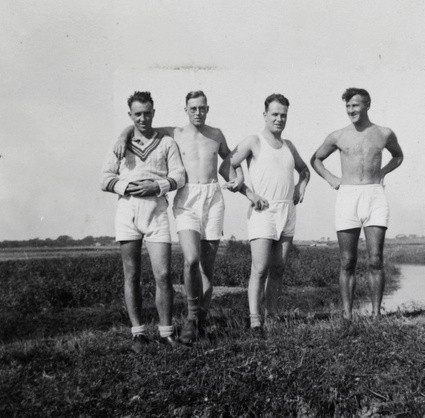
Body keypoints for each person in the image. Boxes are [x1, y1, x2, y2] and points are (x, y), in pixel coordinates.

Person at [114, 91, 243, 344]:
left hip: (213, 197)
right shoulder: (175, 132)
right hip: (187, 198)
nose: (198, 113)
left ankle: (198, 324)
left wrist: (238, 179)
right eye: (193, 108)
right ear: (185, 109)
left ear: (208, 108)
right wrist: (122, 135)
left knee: (207, 269)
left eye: (202, 108)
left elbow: (228, 162)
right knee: (191, 260)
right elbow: (141, 125)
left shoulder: (216, 134)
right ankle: (191, 317)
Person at [101, 91, 186, 353]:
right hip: (128, 212)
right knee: (132, 274)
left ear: (153, 113)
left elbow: (179, 176)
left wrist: (156, 186)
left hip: (157, 211)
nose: (143, 118)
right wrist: (127, 186)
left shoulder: (167, 143)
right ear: (130, 115)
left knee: (163, 274)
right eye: (137, 114)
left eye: (147, 113)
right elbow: (105, 179)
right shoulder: (120, 144)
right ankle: (138, 333)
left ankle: (166, 332)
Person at [311, 88, 403, 319]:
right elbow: (316, 159)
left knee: (375, 259)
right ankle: (347, 316)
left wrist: (383, 171)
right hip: (348, 195)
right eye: (348, 106)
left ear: (367, 105)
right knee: (348, 260)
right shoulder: (338, 136)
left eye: (356, 105)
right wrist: (333, 180)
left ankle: (376, 316)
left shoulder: (384, 133)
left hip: (374, 195)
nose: (351, 110)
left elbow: (398, 156)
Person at [225, 93, 310, 335]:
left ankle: (272, 316)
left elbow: (304, 171)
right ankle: (255, 321)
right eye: (275, 114)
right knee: (260, 268)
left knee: (279, 268)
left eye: (283, 115)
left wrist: (300, 185)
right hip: (263, 210)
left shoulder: (289, 145)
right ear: (265, 115)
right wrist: (247, 192)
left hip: (287, 210)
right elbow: (226, 165)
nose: (279, 119)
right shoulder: (254, 140)